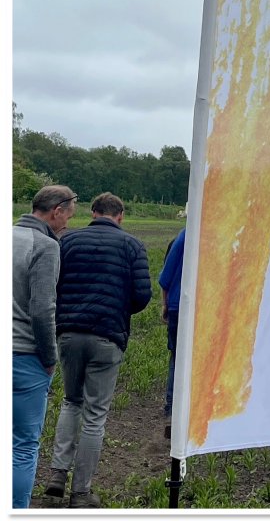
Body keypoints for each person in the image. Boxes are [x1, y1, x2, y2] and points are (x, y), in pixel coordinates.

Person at [45, 193, 152, 508]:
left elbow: (54, 283)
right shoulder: (132, 246)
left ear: (92, 213)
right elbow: (142, 296)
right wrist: (116, 309)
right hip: (107, 335)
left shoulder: (68, 241)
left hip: (68, 334)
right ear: (120, 216)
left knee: (70, 401)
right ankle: (81, 492)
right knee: (95, 416)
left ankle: (56, 477)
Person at [12, 185, 77, 509]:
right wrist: (50, 357)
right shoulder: (46, 246)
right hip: (24, 356)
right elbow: (41, 308)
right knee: (22, 446)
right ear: (56, 212)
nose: (67, 224)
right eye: (67, 217)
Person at [158, 223, 186, 439]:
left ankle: (172, 410)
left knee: (177, 359)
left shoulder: (185, 235)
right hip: (211, 309)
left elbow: (166, 277)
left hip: (181, 306)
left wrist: (165, 305)